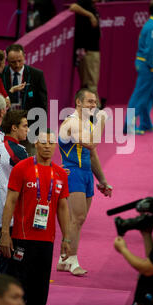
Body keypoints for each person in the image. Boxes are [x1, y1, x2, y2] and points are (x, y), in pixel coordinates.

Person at [0, 130, 71, 305]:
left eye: (51, 143)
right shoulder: (22, 168)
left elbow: (63, 207)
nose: (47, 146)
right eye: (43, 142)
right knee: (17, 281)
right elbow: (10, 201)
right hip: (21, 236)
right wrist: (5, 233)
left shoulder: (60, 174)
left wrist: (67, 238)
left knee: (40, 283)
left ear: (55, 146)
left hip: (46, 239)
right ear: (36, 145)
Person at [57, 89, 112, 276]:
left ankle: (63, 259)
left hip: (86, 174)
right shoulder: (71, 122)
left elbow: (92, 153)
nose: (93, 106)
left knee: (78, 221)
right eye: (89, 102)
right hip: (73, 173)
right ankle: (72, 260)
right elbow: (91, 144)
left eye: (95, 102)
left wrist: (102, 180)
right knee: (77, 218)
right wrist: (103, 120)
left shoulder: (86, 122)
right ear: (78, 103)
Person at [0, 110, 29, 274]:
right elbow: (30, 180)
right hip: (11, 212)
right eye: (25, 126)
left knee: (2, 257)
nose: (27, 130)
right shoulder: (18, 151)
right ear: (14, 128)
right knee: (10, 259)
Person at [124, 0, 153, 135]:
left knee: (150, 94)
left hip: (146, 63)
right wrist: (151, 65)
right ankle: (128, 126)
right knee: (139, 96)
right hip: (147, 64)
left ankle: (145, 123)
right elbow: (150, 49)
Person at [1, 43, 48, 155]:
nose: (17, 65)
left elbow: (42, 105)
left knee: (29, 160)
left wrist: (38, 131)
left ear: (25, 57)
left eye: (20, 61)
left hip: (30, 127)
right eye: (13, 62)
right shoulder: (0, 74)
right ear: (7, 60)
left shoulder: (36, 75)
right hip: (6, 127)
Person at [70, 0, 103, 107]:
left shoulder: (87, 2)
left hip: (89, 49)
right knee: (91, 82)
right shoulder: (84, 1)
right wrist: (90, 15)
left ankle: (88, 108)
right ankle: (96, 109)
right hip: (89, 50)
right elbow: (73, 7)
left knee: (88, 82)